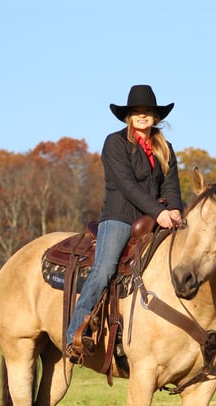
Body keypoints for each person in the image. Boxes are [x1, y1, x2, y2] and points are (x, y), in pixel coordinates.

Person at [66, 84, 184, 360]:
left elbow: (172, 186)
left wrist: (176, 209)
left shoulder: (165, 148)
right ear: (128, 117)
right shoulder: (115, 143)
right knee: (105, 268)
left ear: (156, 117)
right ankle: (75, 332)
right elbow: (127, 186)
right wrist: (158, 212)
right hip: (120, 217)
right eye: (137, 112)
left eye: (148, 112)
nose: (143, 116)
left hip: (158, 216)